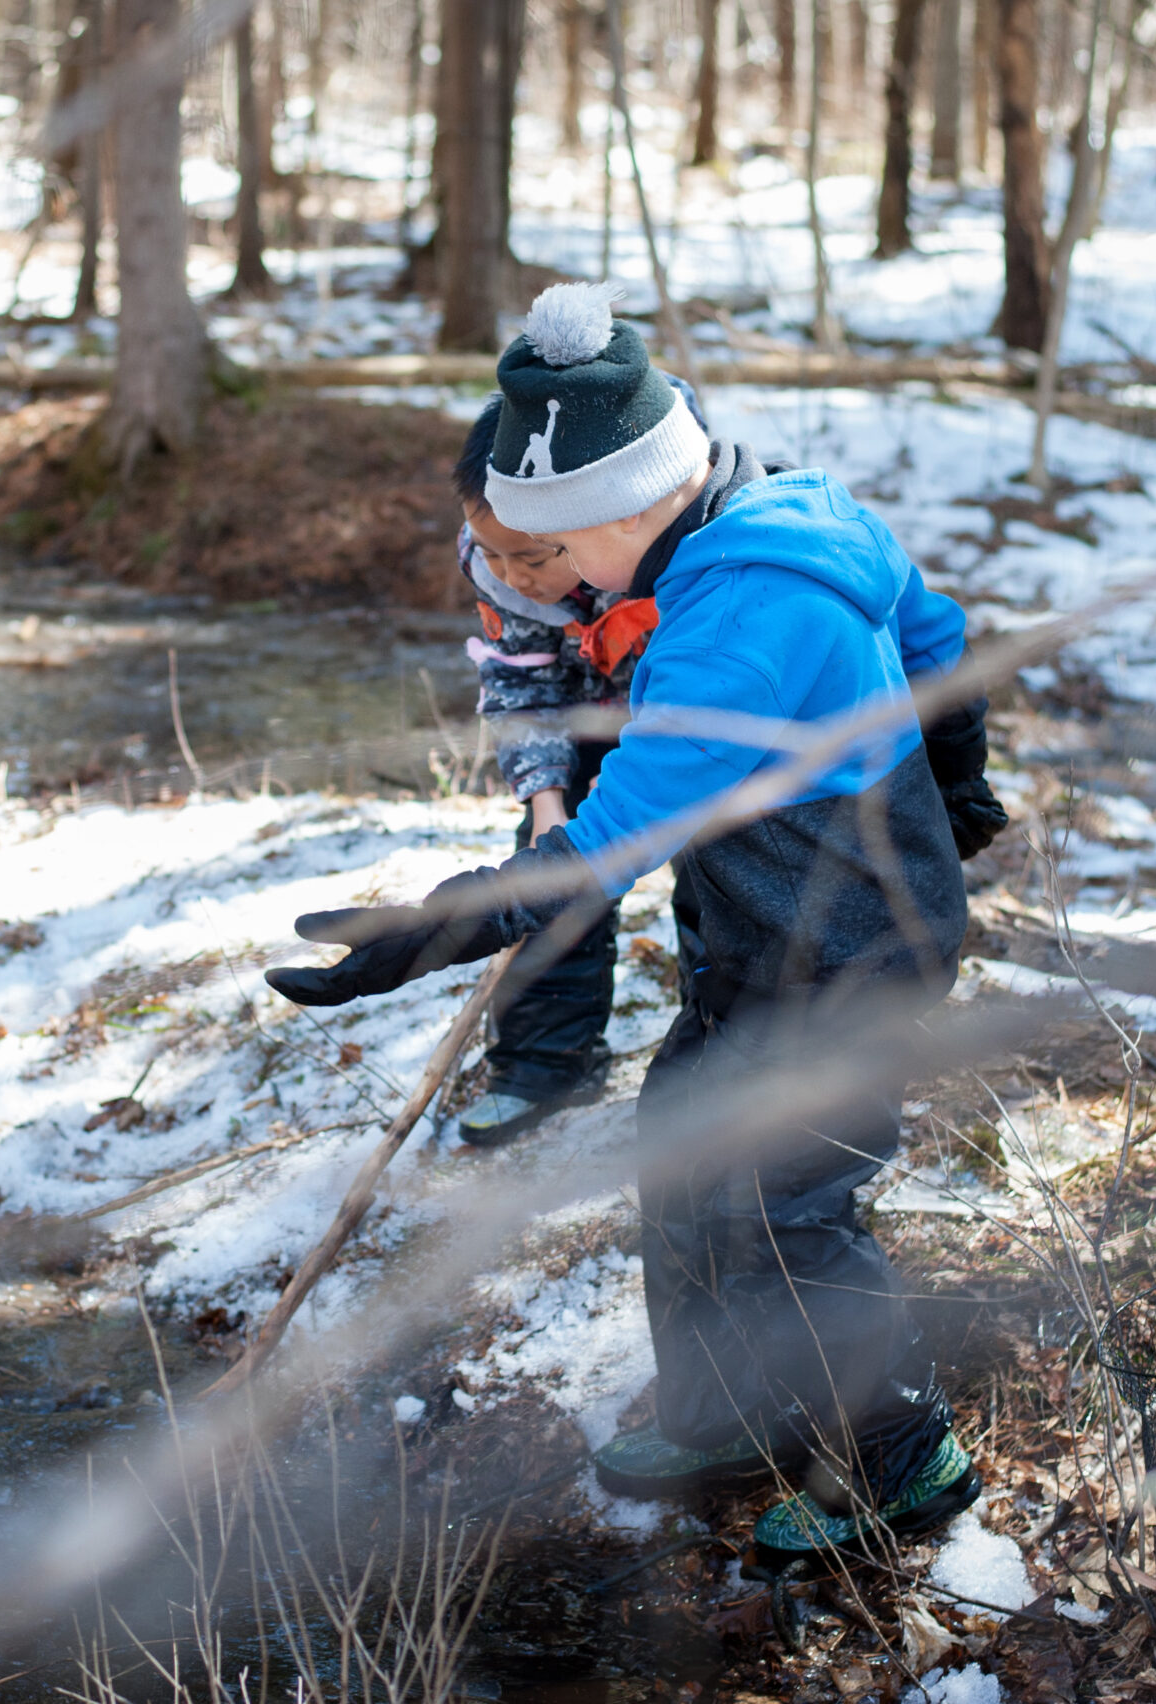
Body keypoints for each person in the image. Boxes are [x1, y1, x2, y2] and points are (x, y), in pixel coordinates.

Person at [267, 283, 1009, 1569]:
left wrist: (431, 930)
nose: (553, 588)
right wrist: (953, 769)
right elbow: (931, 624)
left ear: (612, 511)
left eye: (555, 554)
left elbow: (612, 842)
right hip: (762, 943)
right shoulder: (788, 503)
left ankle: (903, 1462)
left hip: (848, 960)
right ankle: (723, 1413)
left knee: (790, 1209)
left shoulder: (736, 621)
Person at [447, 384, 703, 1148]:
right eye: (490, 552)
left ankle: (719, 1062)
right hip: (581, 717)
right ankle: (545, 1062)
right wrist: (547, 799)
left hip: (691, 727)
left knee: (719, 877)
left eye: (528, 556)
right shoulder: (501, 567)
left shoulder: (678, 541)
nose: (510, 573)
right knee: (549, 875)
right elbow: (521, 681)